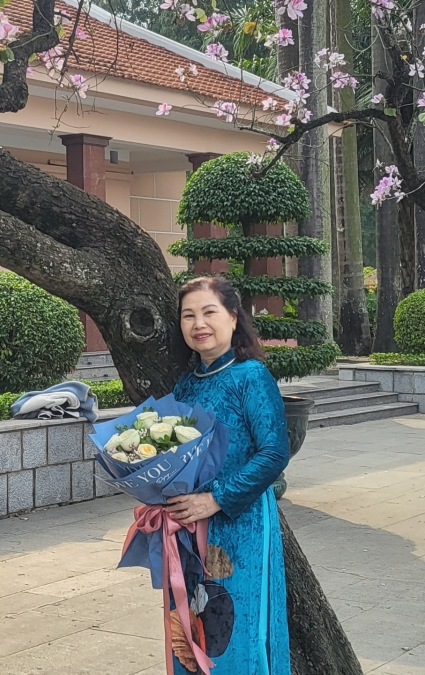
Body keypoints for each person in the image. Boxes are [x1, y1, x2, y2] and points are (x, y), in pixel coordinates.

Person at [167, 275, 290, 675]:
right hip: (188, 524)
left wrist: (215, 498)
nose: (198, 324)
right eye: (188, 316)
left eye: (209, 312)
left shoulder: (251, 376)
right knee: (190, 629)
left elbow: (274, 452)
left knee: (238, 627)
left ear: (233, 318)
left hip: (242, 523)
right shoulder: (185, 385)